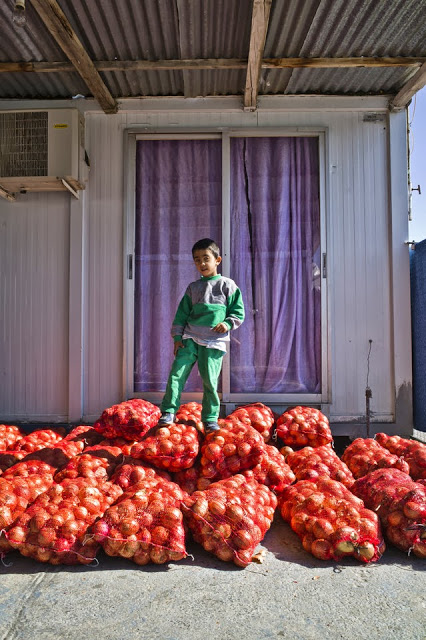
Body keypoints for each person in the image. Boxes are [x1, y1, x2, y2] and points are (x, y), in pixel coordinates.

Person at [158, 238, 245, 433]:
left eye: (206, 258)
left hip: (213, 342)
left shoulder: (228, 286)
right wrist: (177, 338)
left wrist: (228, 323)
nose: (202, 263)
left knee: (209, 381)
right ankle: (168, 411)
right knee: (176, 375)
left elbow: (238, 313)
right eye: (197, 260)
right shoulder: (193, 288)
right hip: (189, 338)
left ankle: (210, 418)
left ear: (218, 260)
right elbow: (181, 315)